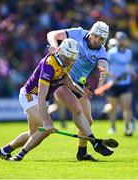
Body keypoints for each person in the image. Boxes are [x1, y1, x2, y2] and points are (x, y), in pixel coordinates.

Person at [0, 38, 113, 161]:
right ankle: (18, 156)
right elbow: (41, 98)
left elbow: (66, 80)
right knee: (45, 129)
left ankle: (5, 150)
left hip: (40, 98)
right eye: (69, 58)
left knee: (33, 134)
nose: (70, 61)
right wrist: (47, 122)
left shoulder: (68, 61)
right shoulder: (49, 65)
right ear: (62, 53)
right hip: (30, 97)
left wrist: (81, 91)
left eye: (72, 59)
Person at [47, 21, 110, 161]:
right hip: (61, 79)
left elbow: (103, 67)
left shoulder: (101, 51)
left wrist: (102, 81)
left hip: (78, 86)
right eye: (96, 36)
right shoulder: (78, 33)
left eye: (101, 39)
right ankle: (95, 142)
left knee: (88, 121)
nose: (97, 40)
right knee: (77, 111)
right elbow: (52, 34)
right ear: (91, 32)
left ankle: (82, 153)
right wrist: (55, 46)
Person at [106, 31, 135, 136]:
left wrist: (133, 73)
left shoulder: (128, 52)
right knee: (113, 108)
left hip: (125, 84)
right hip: (113, 84)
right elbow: (105, 67)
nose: (121, 41)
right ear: (117, 40)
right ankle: (113, 127)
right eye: (120, 39)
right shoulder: (111, 52)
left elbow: (128, 65)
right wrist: (112, 75)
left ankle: (127, 128)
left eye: (123, 39)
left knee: (126, 107)